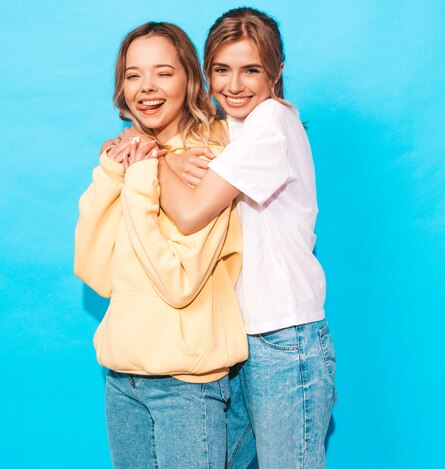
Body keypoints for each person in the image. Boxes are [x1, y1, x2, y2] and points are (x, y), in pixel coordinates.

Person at [158, 8, 337, 468]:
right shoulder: (227, 131)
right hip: (238, 339)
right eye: (221, 69)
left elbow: (192, 213)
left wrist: (154, 162)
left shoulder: (271, 121)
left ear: (276, 72)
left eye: (250, 69)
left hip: (283, 334)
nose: (234, 85)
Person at [74, 22, 246, 469]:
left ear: (190, 78)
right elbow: (94, 271)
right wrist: (114, 171)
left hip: (187, 386)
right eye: (133, 75)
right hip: (122, 379)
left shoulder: (208, 158)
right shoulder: (131, 152)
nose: (145, 88)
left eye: (163, 72)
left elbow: (179, 283)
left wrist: (145, 173)